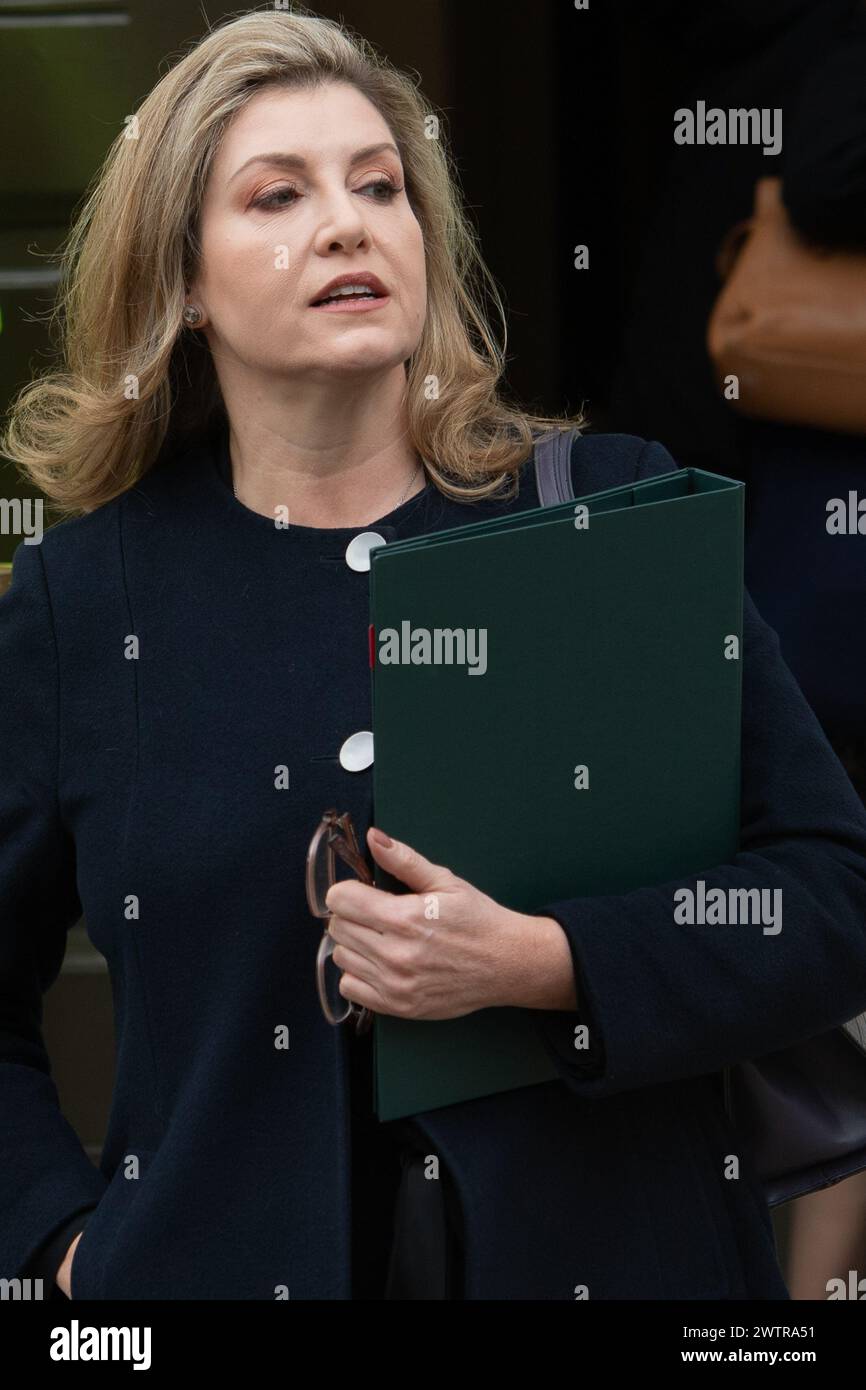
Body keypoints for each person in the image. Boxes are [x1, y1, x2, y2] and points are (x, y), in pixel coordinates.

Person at [2, 7, 866, 1302]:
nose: (347, 221)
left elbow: (829, 896)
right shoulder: (84, 599)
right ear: (180, 280)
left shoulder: (609, 516)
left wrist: (551, 962)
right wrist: (66, 1250)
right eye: (276, 195)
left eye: (380, 185)